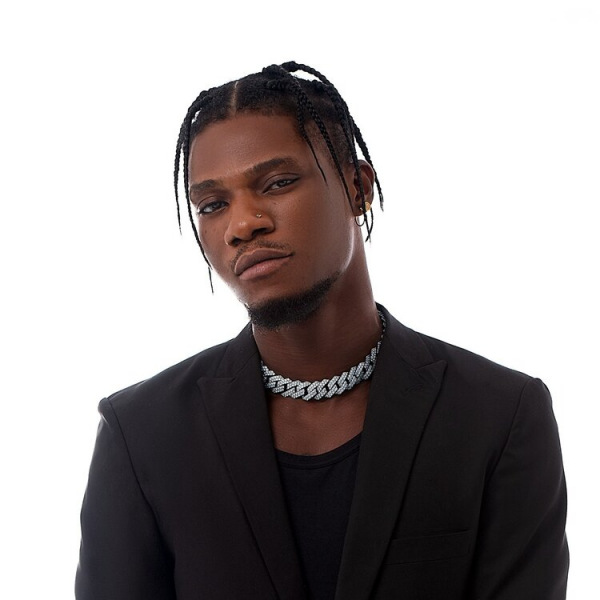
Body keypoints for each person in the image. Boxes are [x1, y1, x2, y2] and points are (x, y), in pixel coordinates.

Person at [75, 61, 569, 599]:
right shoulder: (142, 434)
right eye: (213, 204)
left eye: (278, 183)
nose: (242, 225)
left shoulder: (499, 416)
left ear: (357, 188)